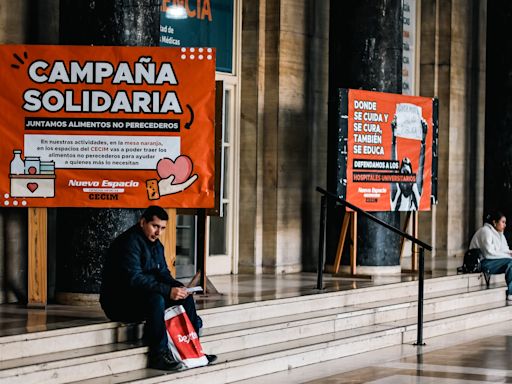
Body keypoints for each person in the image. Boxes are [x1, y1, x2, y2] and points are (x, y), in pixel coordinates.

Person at [100, 205, 217, 371]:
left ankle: (194, 350)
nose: (158, 232)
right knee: (157, 299)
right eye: (155, 226)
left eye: (162, 228)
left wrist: (179, 288)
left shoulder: (156, 245)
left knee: (185, 297)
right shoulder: (128, 243)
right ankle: (158, 355)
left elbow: (163, 274)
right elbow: (135, 279)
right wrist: (168, 291)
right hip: (119, 303)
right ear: (142, 222)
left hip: (141, 297)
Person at [469, 210, 512, 301]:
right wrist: (508, 256)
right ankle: (510, 293)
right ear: (494, 222)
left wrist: (509, 253)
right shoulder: (485, 231)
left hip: (492, 261)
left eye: (505, 222)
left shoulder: (500, 234)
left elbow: (505, 249)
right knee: (511, 262)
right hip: (482, 263)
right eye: (503, 222)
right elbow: (489, 253)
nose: (505, 225)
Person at [390, 116, 427, 211]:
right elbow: (393, 165)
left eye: (407, 174)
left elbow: (421, 167)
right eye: (403, 174)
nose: (405, 178)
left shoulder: (416, 192)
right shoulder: (396, 192)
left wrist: (423, 140)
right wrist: (393, 138)